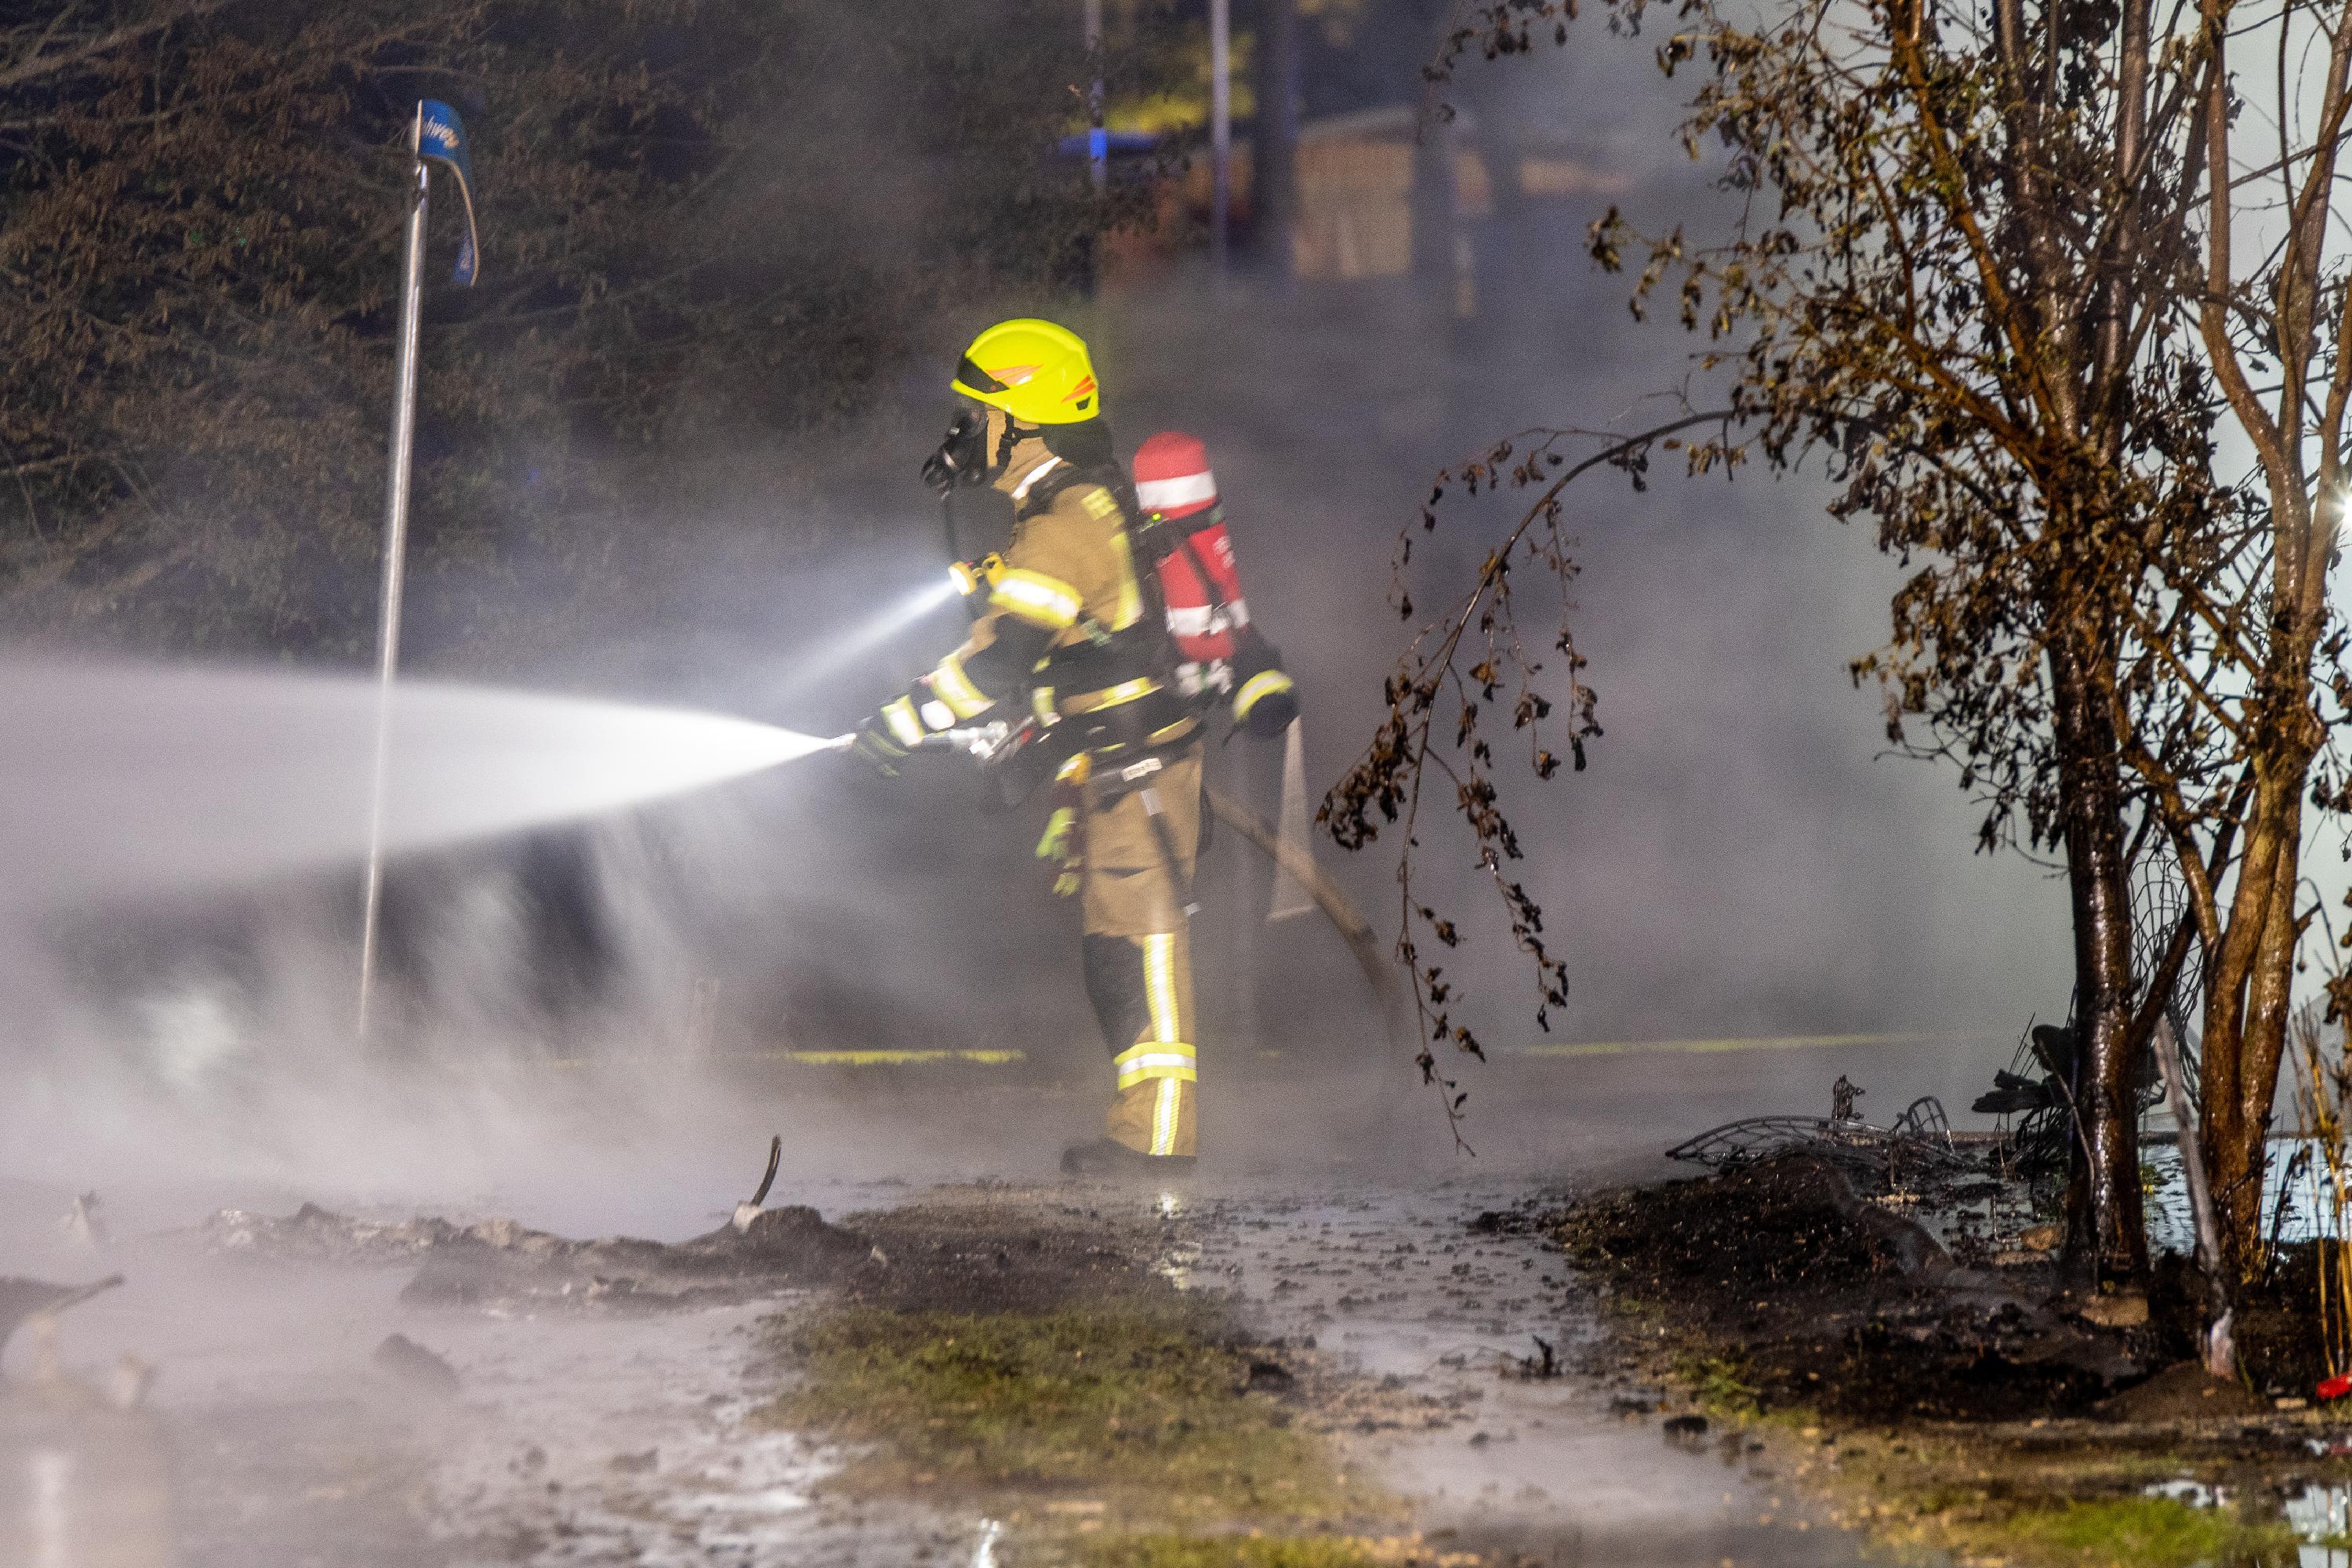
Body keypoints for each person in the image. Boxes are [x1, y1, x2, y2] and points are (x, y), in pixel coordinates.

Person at [851, 319, 1206, 1174]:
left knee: (1140, 949)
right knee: (1111, 954)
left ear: (1025, 420)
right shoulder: (1059, 509)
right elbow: (1029, 638)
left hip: (1137, 775)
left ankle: (1157, 1142)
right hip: (1111, 771)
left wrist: (901, 725)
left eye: (979, 414)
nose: (965, 432)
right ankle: (1142, 1128)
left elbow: (1004, 661)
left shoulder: (1067, 521)